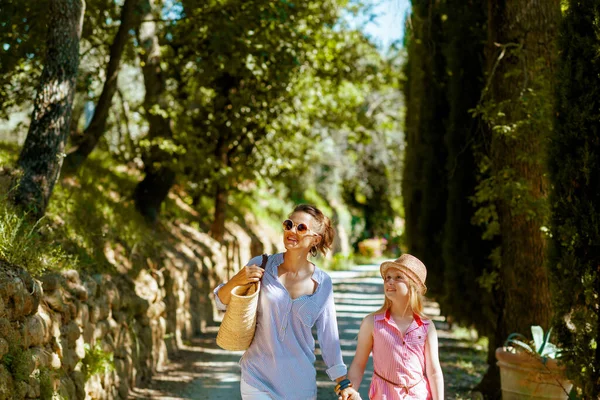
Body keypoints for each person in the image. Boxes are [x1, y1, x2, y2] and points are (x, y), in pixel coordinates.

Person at [213, 204, 360, 400]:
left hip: (300, 385)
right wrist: (236, 280)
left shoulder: (322, 283)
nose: (292, 231)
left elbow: (329, 337)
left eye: (301, 228)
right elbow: (221, 302)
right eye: (289, 224)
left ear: (315, 239)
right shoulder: (261, 265)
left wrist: (342, 382)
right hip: (257, 377)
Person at [347, 254, 444, 400]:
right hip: (384, 395)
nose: (390, 281)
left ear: (413, 286)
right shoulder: (372, 323)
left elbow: (434, 371)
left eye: (398, 277)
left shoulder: (426, 326)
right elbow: (358, 364)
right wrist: (349, 390)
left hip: (419, 396)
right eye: (387, 278)